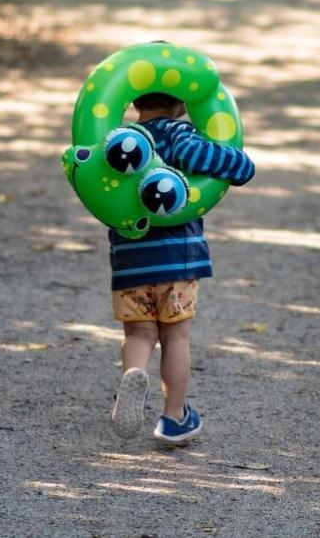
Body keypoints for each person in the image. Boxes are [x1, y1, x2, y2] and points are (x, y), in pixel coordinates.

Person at [109, 91, 255, 444]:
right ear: (183, 102)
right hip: (177, 260)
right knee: (176, 338)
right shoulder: (180, 134)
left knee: (139, 335)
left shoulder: (119, 142)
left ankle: (134, 374)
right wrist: (242, 161)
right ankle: (174, 418)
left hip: (130, 260)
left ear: (134, 100)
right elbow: (236, 169)